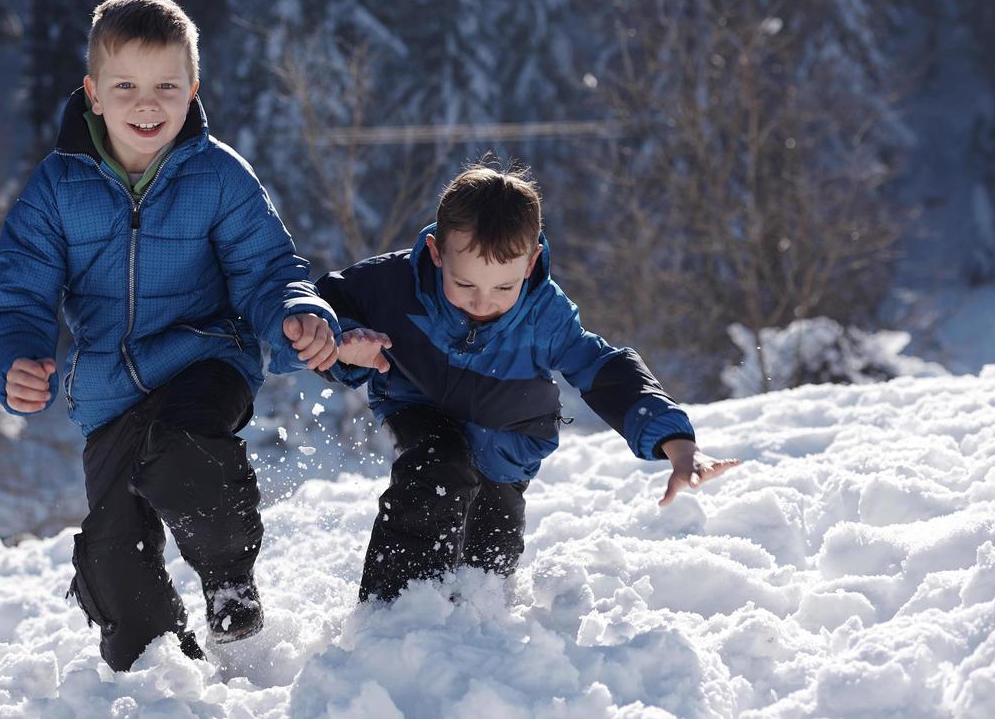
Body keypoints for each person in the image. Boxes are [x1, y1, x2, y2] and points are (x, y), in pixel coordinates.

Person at [0, 0, 339, 669]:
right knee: (116, 560)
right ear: (93, 93)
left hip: (205, 360)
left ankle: (229, 580)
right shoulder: (57, 188)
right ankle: (162, 670)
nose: (148, 104)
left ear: (191, 89)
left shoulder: (220, 177)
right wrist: (18, 355)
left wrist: (296, 313)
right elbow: (17, 293)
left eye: (166, 85)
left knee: (182, 447)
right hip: (110, 392)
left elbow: (267, 267)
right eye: (127, 86)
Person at [315, 159, 740, 602]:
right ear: (437, 252)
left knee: (487, 566)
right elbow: (318, 307)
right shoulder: (391, 285)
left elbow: (603, 369)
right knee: (438, 469)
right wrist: (341, 340)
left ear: (531, 260)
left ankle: (477, 633)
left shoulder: (545, 314)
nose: (483, 303)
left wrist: (676, 441)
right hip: (418, 407)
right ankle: (393, 612)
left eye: (503, 288)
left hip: (507, 441)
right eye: (464, 285)